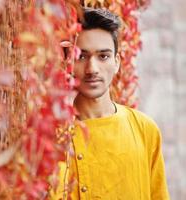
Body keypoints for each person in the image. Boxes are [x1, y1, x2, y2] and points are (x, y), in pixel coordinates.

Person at [49, 8, 170, 200]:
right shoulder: (52, 137)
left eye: (103, 56)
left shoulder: (145, 130)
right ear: (68, 62)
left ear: (117, 62)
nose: (92, 69)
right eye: (82, 56)